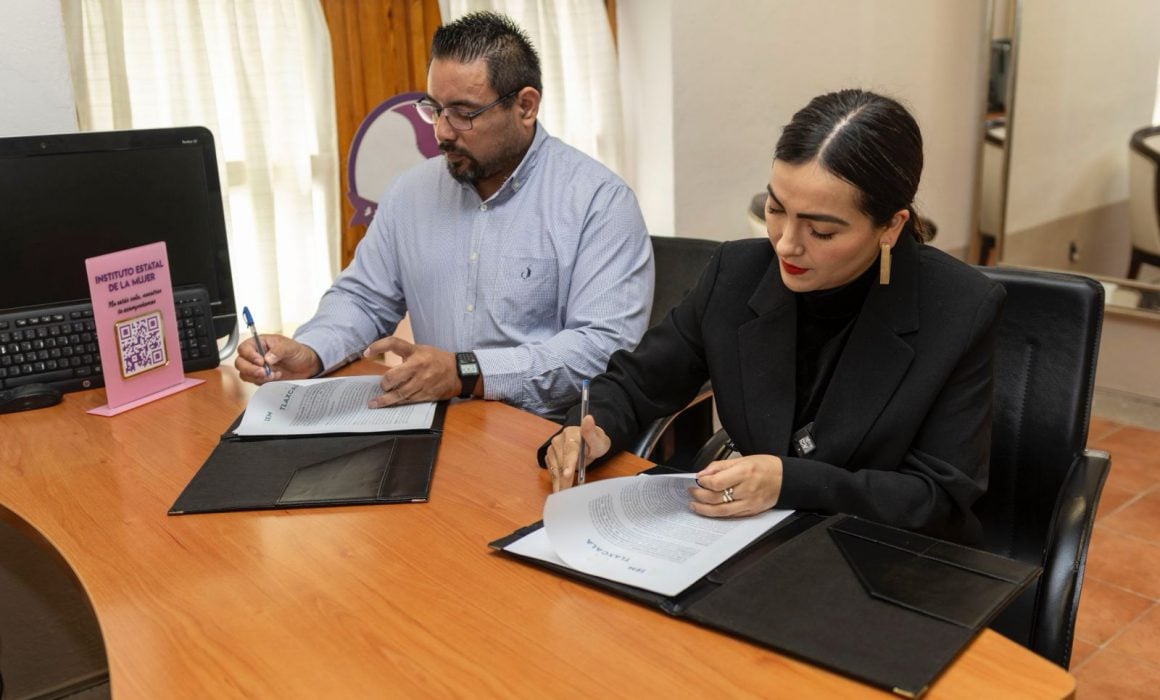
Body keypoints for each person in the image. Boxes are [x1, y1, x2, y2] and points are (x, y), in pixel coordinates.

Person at [542, 89, 1005, 543]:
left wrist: (790, 482)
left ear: (891, 226)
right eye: (775, 210)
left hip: (881, 557)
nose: (785, 244)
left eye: (821, 231)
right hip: (752, 543)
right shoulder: (737, 273)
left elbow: (938, 500)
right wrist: (591, 430)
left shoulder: (959, 308)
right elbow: (639, 382)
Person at [235, 11, 653, 421]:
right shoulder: (410, 193)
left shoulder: (599, 202)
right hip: (437, 424)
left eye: (463, 113)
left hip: (544, 435)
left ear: (526, 106)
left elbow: (601, 349)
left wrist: (466, 372)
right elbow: (363, 298)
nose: (441, 131)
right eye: (434, 108)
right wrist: (311, 353)